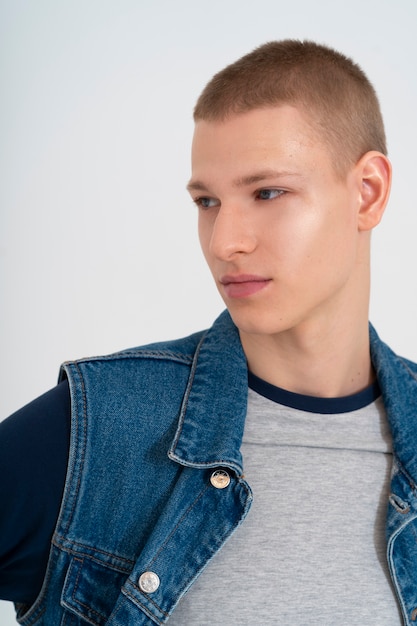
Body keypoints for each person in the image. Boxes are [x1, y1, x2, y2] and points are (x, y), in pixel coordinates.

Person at [0, 39, 415, 625]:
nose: (224, 242)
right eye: (208, 201)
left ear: (367, 192)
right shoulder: (101, 429)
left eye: (267, 193)